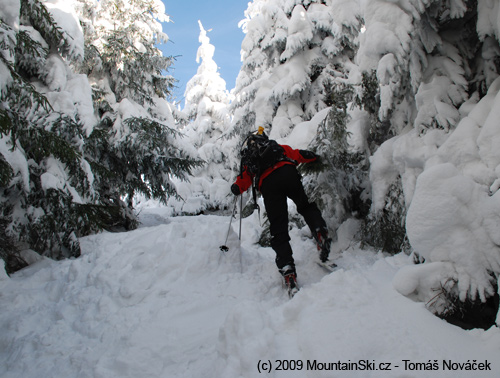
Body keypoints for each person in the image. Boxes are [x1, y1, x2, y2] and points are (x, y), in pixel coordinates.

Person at [230, 127, 332, 296]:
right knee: (305, 206)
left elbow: (244, 180)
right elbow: (297, 154)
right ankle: (320, 231)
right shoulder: (276, 147)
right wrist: (313, 156)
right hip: (288, 172)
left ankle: (288, 269)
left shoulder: (251, 159)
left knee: (278, 227)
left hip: (269, 184)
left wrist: (236, 187)